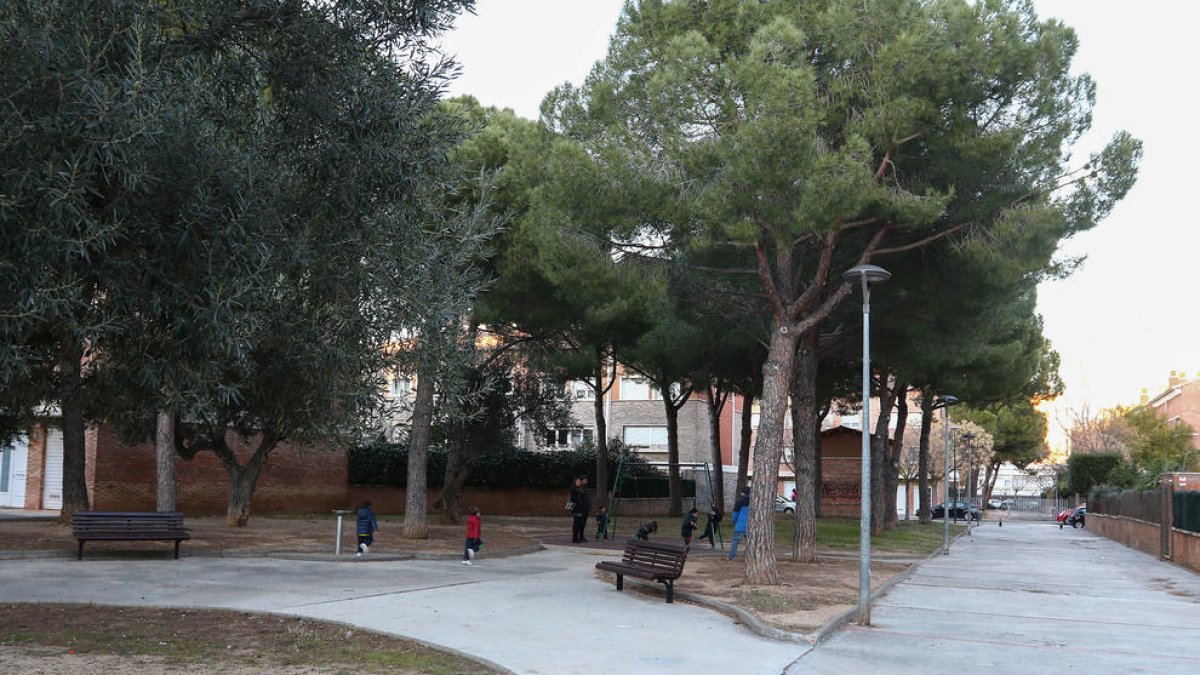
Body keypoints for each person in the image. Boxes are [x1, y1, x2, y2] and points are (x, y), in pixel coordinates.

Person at [728, 487, 750, 561]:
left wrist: (735, 522)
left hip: (740, 525)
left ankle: (731, 557)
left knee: (735, 541)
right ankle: (749, 556)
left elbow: (735, 513)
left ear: (743, 493)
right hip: (750, 526)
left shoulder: (739, 500)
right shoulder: (753, 501)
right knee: (750, 542)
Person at [570, 476, 592, 543]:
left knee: (581, 523)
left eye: (586, 480)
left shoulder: (583, 489)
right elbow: (574, 500)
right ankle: (575, 537)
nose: (579, 482)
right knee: (577, 523)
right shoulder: (574, 490)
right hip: (577, 509)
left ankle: (580, 536)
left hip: (584, 509)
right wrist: (579, 502)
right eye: (578, 481)